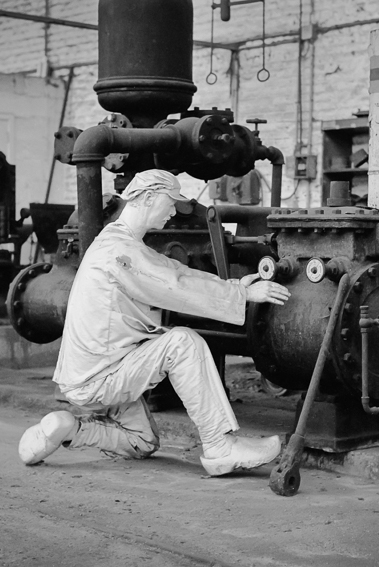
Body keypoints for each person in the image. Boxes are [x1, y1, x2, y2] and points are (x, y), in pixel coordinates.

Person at [18, 169, 291, 476]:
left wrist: (236, 286)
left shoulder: (117, 241)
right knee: (183, 343)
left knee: (142, 442)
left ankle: (68, 429)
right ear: (148, 197)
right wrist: (243, 295)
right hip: (100, 379)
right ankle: (220, 446)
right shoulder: (120, 252)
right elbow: (174, 285)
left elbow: (173, 270)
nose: (173, 212)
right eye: (170, 202)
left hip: (93, 374)